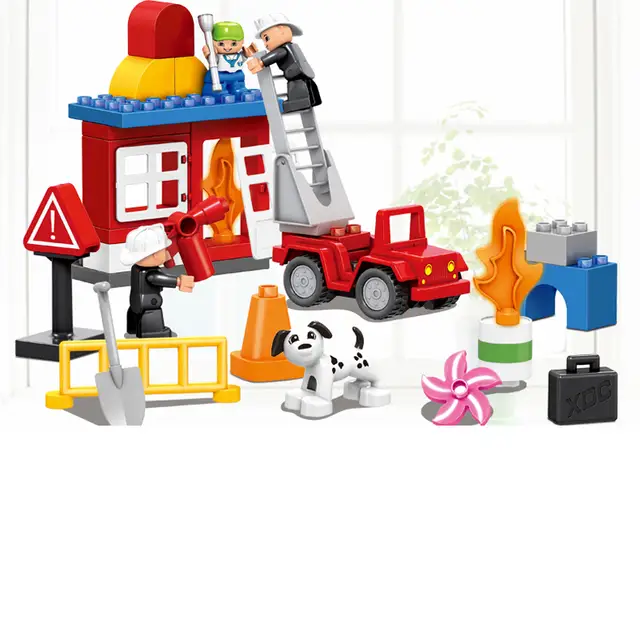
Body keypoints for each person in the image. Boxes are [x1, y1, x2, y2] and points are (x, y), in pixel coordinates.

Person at [120, 224, 195, 339]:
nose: (166, 253)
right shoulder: (151, 273)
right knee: (154, 314)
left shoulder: (136, 268)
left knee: (135, 313)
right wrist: (178, 281)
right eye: (164, 251)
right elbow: (158, 278)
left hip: (135, 302)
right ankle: (154, 331)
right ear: (155, 254)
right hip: (148, 305)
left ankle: (133, 329)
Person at [247, 13, 321, 113]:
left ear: (281, 30)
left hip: (295, 76)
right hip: (302, 74)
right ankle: (312, 99)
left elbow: (276, 55)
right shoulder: (292, 46)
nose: (266, 44)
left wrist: (261, 62)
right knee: (306, 87)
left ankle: (298, 103)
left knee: (296, 89)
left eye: (267, 39)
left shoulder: (283, 49)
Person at [202, 21, 257, 95]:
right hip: (220, 76)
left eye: (233, 44)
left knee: (239, 83)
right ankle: (222, 93)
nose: (227, 47)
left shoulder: (239, 55)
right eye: (221, 44)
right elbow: (212, 61)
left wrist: (247, 54)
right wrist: (209, 54)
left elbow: (242, 58)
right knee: (221, 85)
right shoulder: (218, 56)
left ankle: (239, 90)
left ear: (242, 41)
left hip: (237, 75)